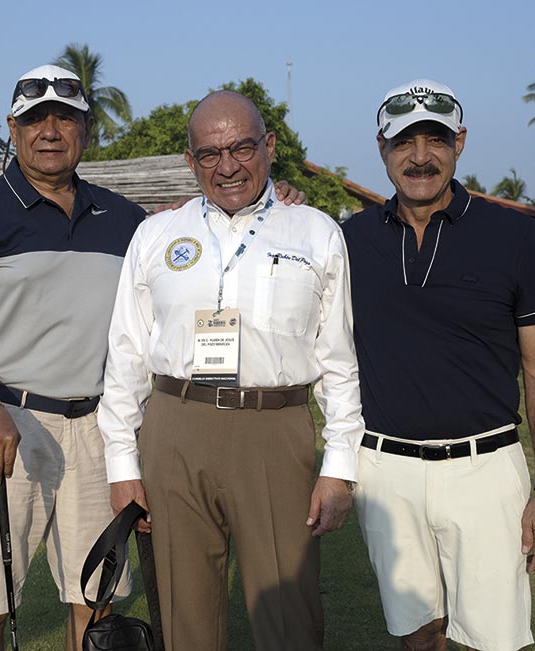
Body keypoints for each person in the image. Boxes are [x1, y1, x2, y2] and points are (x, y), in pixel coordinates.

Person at [0, 65, 305, 651]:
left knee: (95, 602)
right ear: (13, 130)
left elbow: (200, 222)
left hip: (97, 430)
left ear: (86, 130)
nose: (50, 131)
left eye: (65, 119)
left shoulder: (122, 218)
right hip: (6, 423)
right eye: (35, 120)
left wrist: (275, 199)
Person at [97, 90, 365, 651]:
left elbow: (339, 362)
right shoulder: (156, 234)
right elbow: (126, 355)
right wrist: (122, 464)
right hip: (176, 427)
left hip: (275, 432)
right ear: (190, 160)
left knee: (289, 618)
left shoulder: (315, 232)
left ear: (269, 146)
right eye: (209, 153)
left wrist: (340, 468)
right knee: (185, 614)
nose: (227, 167)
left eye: (242, 148)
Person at [341, 79, 535, 651]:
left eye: (436, 139)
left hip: (484, 468)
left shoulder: (514, 234)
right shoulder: (348, 239)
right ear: (381, 147)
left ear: (459, 142)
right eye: (404, 141)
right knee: (417, 633)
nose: (420, 157)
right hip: (385, 470)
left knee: (494, 639)